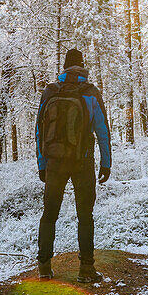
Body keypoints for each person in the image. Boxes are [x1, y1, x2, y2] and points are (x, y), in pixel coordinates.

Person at [35, 48, 112, 282]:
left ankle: (44, 268)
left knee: (49, 215)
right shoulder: (90, 92)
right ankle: (86, 270)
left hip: (54, 162)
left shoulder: (50, 91)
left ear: (65, 68)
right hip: (82, 162)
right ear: (82, 67)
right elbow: (102, 132)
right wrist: (106, 164)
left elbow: (39, 129)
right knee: (85, 215)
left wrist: (42, 164)